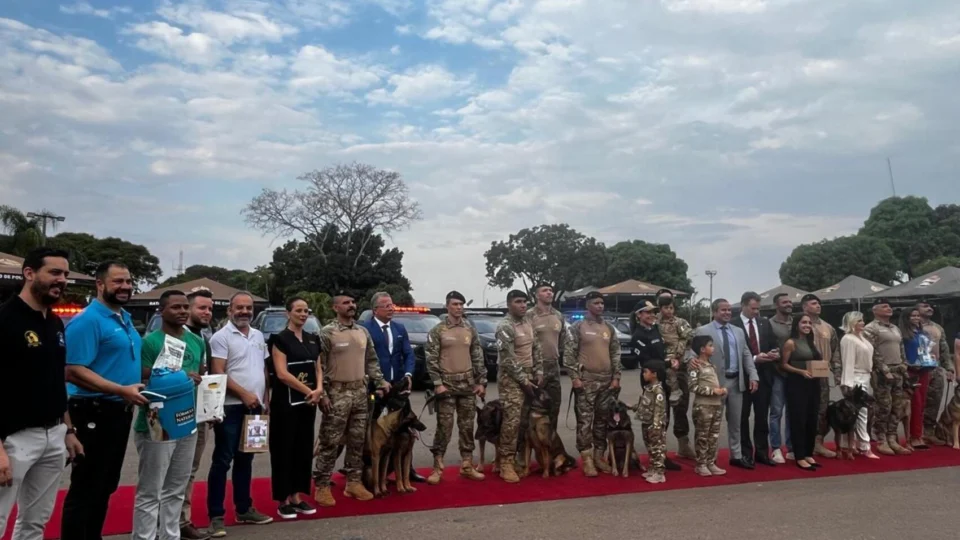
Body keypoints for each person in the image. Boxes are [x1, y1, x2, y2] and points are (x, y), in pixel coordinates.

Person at [61, 261, 149, 540]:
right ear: (100, 284)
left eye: (128, 281)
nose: (125, 287)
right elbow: (72, 370)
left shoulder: (122, 318)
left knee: (105, 486)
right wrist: (119, 389)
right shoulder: (88, 320)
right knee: (86, 487)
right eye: (118, 281)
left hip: (118, 412)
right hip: (92, 411)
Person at [0, 247, 84, 540]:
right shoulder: (5, 319)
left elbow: (55, 380)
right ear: (29, 273)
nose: (61, 280)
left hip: (53, 436)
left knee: (35, 523)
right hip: (13, 439)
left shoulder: (55, 322)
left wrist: (68, 429)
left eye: (65, 274)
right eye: (54, 272)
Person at [132, 290, 204, 540]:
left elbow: (200, 371)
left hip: (187, 420)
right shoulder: (150, 341)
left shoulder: (196, 340)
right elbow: (138, 376)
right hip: (157, 422)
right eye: (176, 307)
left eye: (185, 307)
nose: (183, 311)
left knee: (176, 489)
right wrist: (176, 376)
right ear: (161, 311)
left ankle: (170, 536)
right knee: (151, 492)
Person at [313, 292, 390, 506]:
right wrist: (323, 394)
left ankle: (353, 482)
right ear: (335, 308)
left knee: (357, 440)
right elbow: (319, 365)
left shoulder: (362, 331)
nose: (351, 305)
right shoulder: (327, 333)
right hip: (336, 393)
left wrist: (381, 381)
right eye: (346, 303)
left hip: (360, 393)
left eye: (353, 302)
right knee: (330, 441)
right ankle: (322, 485)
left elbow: (371, 361)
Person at [206, 292, 273, 537]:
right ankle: (216, 516)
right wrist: (244, 394)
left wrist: (265, 399)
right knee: (222, 461)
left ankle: (244, 509)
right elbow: (218, 372)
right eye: (239, 308)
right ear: (229, 310)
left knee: (247, 459)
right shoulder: (221, 337)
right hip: (231, 407)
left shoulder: (257, 335)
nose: (244, 311)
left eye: (248, 308)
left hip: (256, 407)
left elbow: (263, 368)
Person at [268, 297, 322, 519]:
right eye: (298, 310)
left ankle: (298, 496)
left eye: (306, 311)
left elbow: (319, 367)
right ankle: (283, 499)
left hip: (307, 405)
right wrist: (307, 390)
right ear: (288, 313)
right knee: (284, 449)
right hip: (285, 405)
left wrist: (318, 389)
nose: (303, 314)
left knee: (303, 448)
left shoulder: (312, 339)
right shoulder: (280, 340)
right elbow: (281, 373)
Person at [424, 291, 486, 484]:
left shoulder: (469, 329)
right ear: (447, 306)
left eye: (461, 304)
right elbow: (431, 359)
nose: (459, 308)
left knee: (467, 427)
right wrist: (437, 384)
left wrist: (481, 381)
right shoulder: (438, 330)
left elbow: (477, 355)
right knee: (445, 428)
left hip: (467, 385)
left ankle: (467, 465)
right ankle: (437, 467)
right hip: (447, 386)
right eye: (455, 304)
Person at [689, 299, 758, 470]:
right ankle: (707, 461)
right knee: (710, 425)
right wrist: (691, 361)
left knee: (736, 422)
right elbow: (691, 352)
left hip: (736, 382)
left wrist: (753, 375)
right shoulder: (703, 330)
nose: (727, 313)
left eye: (729, 310)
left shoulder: (738, 331)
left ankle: (737, 455)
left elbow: (746, 354)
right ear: (714, 312)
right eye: (723, 310)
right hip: (714, 384)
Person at [362, 292, 424, 483]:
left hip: (397, 388)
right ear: (375, 310)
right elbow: (363, 359)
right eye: (386, 305)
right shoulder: (365, 329)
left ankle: (407, 470)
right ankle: (365, 471)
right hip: (376, 389)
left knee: (404, 429)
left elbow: (408, 355)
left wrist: (408, 375)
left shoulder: (399, 328)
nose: (391, 308)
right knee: (371, 431)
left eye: (392, 305)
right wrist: (375, 382)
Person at [564, 291, 620, 477]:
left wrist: (616, 377)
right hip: (586, 380)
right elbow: (569, 354)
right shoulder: (577, 326)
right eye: (596, 303)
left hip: (606, 382)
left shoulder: (609, 328)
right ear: (588, 305)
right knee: (585, 421)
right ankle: (587, 459)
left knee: (602, 420)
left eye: (602, 303)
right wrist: (574, 377)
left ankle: (599, 455)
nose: (600, 306)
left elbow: (615, 353)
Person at [496, 290, 544, 483]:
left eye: (525, 302)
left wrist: (539, 371)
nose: (523, 305)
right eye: (518, 302)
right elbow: (507, 358)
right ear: (509, 304)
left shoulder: (529, 323)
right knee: (512, 422)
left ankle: (519, 459)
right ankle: (505, 463)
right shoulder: (505, 326)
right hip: (511, 380)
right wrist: (523, 380)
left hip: (529, 375)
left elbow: (536, 348)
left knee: (525, 422)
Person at [629, 300, 681, 471]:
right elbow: (647, 362)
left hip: (664, 378)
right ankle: (655, 457)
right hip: (650, 380)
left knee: (664, 418)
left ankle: (662, 455)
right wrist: (666, 363)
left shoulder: (655, 330)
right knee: (653, 421)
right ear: (639, 316)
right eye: (647, 312)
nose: (651, 315)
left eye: (653, 312)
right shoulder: (637, 336)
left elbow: (660, 353)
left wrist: (668, 362)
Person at [179, 290, 214, 540]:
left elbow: (205, 377)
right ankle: (172, 523)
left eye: (210, 308)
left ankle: (182, 521)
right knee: (173, 472)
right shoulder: (174, 338)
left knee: (189, 470)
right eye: (201, 308)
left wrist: (211, 408)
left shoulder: (202, 339)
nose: (207, 313)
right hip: (176, 414)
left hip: (199, 414)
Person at [731, 291, 779, 467]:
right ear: (743, 306)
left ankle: (761, 452)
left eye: (758, 308)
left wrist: (775, 353)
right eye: (753, 308)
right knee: (742, 417)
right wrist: (754, 358)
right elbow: (733, 353)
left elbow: (774, 344)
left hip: (764, 376)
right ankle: (745, 453)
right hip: (742, 378)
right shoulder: (733, 325)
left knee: (761, 417)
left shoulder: (764, 323)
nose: (756, 312)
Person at [863, 299, 910, 456]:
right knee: (884, 407)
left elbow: (901, 347)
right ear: (874, 310)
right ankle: (881, 440)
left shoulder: (895, 328)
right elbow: (873, 351)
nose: (888, 308)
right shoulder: (871, 328)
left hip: (898, 371)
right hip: (882, 373)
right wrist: (884, 369)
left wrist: (904, 365)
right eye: (884, 306)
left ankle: (892, 438)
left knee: (897, 407)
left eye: (889, 306)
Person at [780, 314, 822, 472]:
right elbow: (783, 365)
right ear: (797, 324)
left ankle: (808, 453)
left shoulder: (811, 342)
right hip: (797, 385)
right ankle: (799, 456)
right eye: (804, 322)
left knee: (812, 418)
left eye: (809, 323)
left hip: (813, 384)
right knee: (799, 419)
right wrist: (801, 371)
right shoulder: (791, 343)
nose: (807, 325)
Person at [655, 291, 695, 460]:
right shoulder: (654, 323)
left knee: (681, 407)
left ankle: (683, 444)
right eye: (665, 307)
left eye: (671, 307)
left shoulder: (681, 322)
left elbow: (690, 337)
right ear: (659, 307)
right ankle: (659, 448)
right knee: (660, 410)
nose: (669, 311)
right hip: (660, 369)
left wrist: (679, 350)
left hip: (680, 369)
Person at [800, 294, 840, 459]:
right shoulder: (799, 325)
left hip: (822, 373)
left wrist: (837, 372)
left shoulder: (828, 327)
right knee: (803, 409)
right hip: (803, 373)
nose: (818, 306)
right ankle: (801, 444)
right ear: (804, 307)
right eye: (814, 303)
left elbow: (835, 351)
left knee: (821, 409)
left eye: (819, 303)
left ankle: (818, 443)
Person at [524, 283, 567, 433]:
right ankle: (527, 447)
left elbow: (563, 341)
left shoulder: (558, 315)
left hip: (553, 366)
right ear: (537, 295)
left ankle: (550, 445)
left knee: (554, 405)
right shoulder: (529, 315)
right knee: (532, 408)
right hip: (535, 367)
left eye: (551, 290)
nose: (549, 293)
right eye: (545, 291)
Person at [838, 311, 878, 459]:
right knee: (861, 413)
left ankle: (851, 444)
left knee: (860, 413)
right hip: (855, 379)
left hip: (865, 377)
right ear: (852, 323)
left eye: (863, 320)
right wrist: (847, 383)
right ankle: (865, 445)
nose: (862, 323)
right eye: (859, 321)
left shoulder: (862, 338)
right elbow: (847, 361)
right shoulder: (848, 339)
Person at [917, 301, 955, 445]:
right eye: (925, 306)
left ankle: (928, 432)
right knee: (917, 402)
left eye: (930, 306)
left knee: (934, 401)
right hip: (918, 369)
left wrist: (949, 368)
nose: (929, 308)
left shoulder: (937, 327)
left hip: (935, 368)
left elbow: (944, 349)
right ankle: (914, 433)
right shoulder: (912, 326)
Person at [899, 307, 938, 450]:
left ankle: (919, 435)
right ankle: (913, 437)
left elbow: (928, 350)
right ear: (906, 318)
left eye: (917, 316)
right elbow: (901, 354)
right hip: (911, 372)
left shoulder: (923, 333)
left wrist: (932, 360)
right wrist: (909, 365)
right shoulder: (903, 334)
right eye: (912, 316)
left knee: (922, 404)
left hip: (925, 370)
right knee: (915, 404)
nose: (916, 318)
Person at [688, 335, 727, 477]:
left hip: (716, 405)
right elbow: (692, 386)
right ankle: (701, 464)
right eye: (710, 345)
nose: (713, 348)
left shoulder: (711, 365)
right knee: (702, 436)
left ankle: (711, 462)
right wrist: (712, 391)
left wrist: (721, 391)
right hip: (703, 406)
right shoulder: (696, 365)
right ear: (702, 349)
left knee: (713, 436)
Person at [768, 293, 794, 463]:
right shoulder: (769, 324)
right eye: (784, 302)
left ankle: (791, 447)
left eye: (790, 301)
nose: (789, 304)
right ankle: (776, 448)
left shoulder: (797, 322)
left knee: (793, 412)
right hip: (777, 372)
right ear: (776, 305)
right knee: (776, 411)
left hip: (795, 373)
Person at [637, 360, 667, 484]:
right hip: (646, 422)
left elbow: (659, 410)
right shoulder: (648, 388)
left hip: (654, 425)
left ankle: (659, 473)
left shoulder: (658, 390)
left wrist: (656, 426)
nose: (643, 374)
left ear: (654, 374)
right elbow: (645, 404)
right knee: (650, 447)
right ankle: (653, 469)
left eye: (645, 372)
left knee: (657, 449)